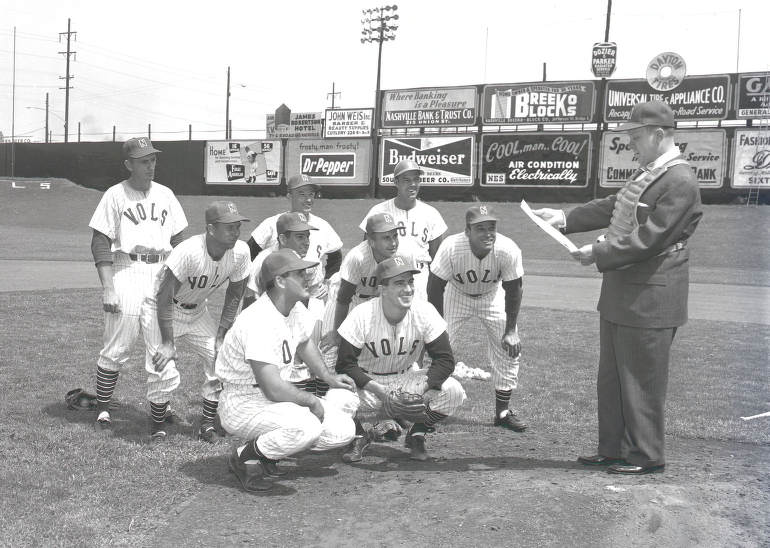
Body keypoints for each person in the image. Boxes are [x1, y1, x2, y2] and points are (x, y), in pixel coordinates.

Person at [532, 100, 703, 475]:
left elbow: (651, 238)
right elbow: (617, 205)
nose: (631, 144)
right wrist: (563, 218)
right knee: (612, 378)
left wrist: (599, 251)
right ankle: (612, 448)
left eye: (636, 137)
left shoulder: (681, 180)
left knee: (640, 379)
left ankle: (645, 454)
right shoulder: (651, 172)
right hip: (624, 288)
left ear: (659, 135)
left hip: (651, 294)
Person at [215, 248, 360, 492]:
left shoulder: (293, 308)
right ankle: (244, 457)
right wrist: (311, 401)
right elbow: (272, 388)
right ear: (280, 281)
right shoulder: (258, 320)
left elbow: (304, 342)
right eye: (300, 274)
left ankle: (266, 454)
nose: (308, 278)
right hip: (242, 402)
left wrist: (327, 377)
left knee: (343, 431)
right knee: (308, 426)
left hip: (267, 401)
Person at [88, 137, 188, 432]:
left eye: (153, 160)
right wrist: (108, 287)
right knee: (118, 344)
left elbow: (180, 241)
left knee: (159, 344)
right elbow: (100, 241)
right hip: (127, 269)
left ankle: (160, 405)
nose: (150, 166)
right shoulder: (115, 195)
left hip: (161, 271)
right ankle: (103, 409)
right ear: (129, 164)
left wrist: (178, 282)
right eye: (144, 161)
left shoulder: (167, 194)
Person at [335, 256, 466, 462]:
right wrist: (380, 391)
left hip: (407, 380)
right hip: (368, 384)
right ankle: (359, 437)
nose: (407, 289)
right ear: (382, 289)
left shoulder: (424, 311)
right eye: (399, 283)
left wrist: (420, 388)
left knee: (453, 391)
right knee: (337, 400)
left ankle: (417, 434)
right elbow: (345, 364)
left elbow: (445, 360)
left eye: (410, 281)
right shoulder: (362, 314)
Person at [141, 201, 251, 443]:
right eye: (229, 227)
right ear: (211, 229)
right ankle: (157, 424)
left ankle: (207, 424)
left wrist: (222, 334)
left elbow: (235, 295)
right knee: (163, 367)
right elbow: (164, 297)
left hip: (198, 312)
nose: (236, 232)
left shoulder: (241, 252)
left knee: (220, 360)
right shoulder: (189, 251)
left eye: (237, 226)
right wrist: (168, 342)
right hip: (161, 308)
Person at [427, 204, 527, 432]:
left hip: (492, 295)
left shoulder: (507, 248)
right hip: (456, 293)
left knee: (508, 349)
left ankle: (502, 413)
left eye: (491, 227)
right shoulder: (451, 247)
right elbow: (434, 287)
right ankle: (428, 408)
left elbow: (514, 289)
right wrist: (436, 326)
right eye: (480, 228)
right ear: (467, 230)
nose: (487, 233)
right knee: (437, 347)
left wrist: (510, 330)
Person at [319, 212, 423, 359]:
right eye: (386, 238)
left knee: (373, 351)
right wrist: (337, 333)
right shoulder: (358, 257)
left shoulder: (403, 255)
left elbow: (405, 293)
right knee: (330, 353)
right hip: (347, 298)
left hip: (375, 300)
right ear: (371, 241)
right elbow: (343, 299)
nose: (393, 243)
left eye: (395, 236)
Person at [244, 212, 325, 394]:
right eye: (299, 236)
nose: (306, 242)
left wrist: (299, 329)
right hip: (265, 322)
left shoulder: (310, 260)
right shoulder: (264, 260)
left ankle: (310, 387)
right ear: (282, 238)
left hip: (293, 316)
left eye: (307, 236)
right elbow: (250, 297)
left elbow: (307, 297)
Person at [358, 159, 447, 296]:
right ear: (396, 182)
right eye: (406, 180)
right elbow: (366, 251)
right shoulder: (378, 211)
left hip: (420, 278)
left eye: (416, 179)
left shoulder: (431, 214)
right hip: (388, 276)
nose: (413, 184)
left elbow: (437, 261)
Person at [247, 174, 343, 301]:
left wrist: (327, 280)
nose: (308, 200)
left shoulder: (323, 226)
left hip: (311, 292)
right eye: (302, 194)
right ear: (289, 196)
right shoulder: (272, 223)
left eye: (311, 194)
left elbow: (336, 257)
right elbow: (249, 252)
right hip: (277, 293)